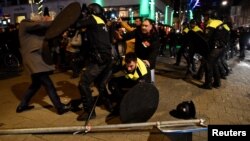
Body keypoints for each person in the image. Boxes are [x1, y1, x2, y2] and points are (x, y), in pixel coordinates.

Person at [16, 15, 71, 115]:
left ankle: (22, 105)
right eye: (40, 18)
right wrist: (57, 21)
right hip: (33, 60)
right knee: (48, 84)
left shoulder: (33, 29)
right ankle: (59, 107)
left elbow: (48, 33)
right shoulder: (25, 24)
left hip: (35, 59)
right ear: (34, 19)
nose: (42, 19)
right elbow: (41, 25)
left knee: (35, 85)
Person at [75, 3, 114, 121]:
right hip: (107, 57)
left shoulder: (92, 19)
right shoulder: (101, 21)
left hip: (100, 59)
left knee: (83, 83)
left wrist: (77, 15)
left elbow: (76, 24)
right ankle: (109, 105)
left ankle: (89, 112)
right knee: (100, 83)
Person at [116, 18, 160, 83]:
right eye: (142, 25)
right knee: (136, 80)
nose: (143, 27)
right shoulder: (138, 31)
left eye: (146, 26)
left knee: (150, 82)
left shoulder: (155, 36)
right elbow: (129, 35)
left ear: (151, 26)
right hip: (138, 60)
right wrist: (121, 37)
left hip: (148, 62)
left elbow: (155, 51)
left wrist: (149, 61)